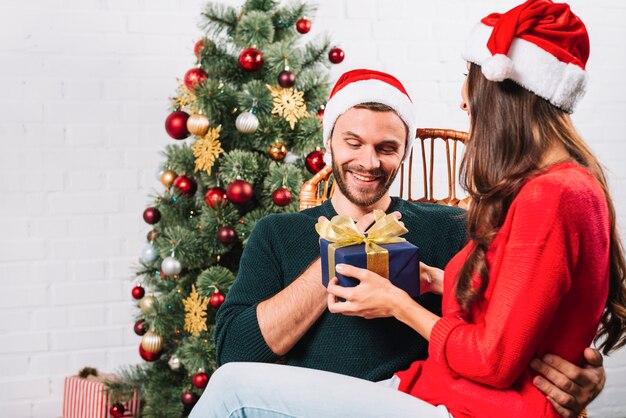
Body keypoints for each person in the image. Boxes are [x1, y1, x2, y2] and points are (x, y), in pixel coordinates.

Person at [192, 2, 617, 413]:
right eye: (353, 143)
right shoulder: (277, 233)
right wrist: (337, 259)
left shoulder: (455, 228)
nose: (369, 162)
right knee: (230, 386)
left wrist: (580, 369)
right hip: (323, 405)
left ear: (405, 153)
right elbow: (235, 353)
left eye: (387, 148)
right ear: (328, 145)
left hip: (419, 397)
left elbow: (513, 324)